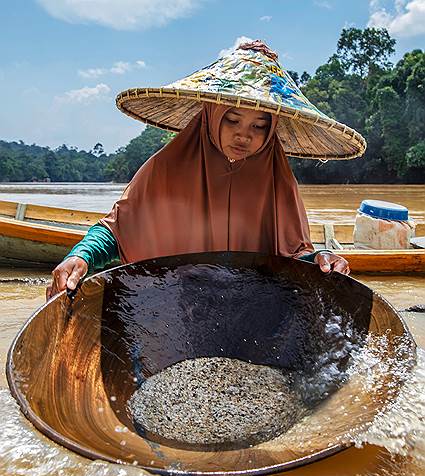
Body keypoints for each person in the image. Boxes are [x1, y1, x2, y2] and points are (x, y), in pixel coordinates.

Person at [47, 40, 362, 300]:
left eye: (259, 126)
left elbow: (292, 253)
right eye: (232, 120)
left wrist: (322, 258)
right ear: (212, 117)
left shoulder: (276, 181)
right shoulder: (166, 169)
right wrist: (81, 256)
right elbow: (117, 230)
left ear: (271, 131)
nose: (244, 135)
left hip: (250, 306)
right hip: (172, 302)